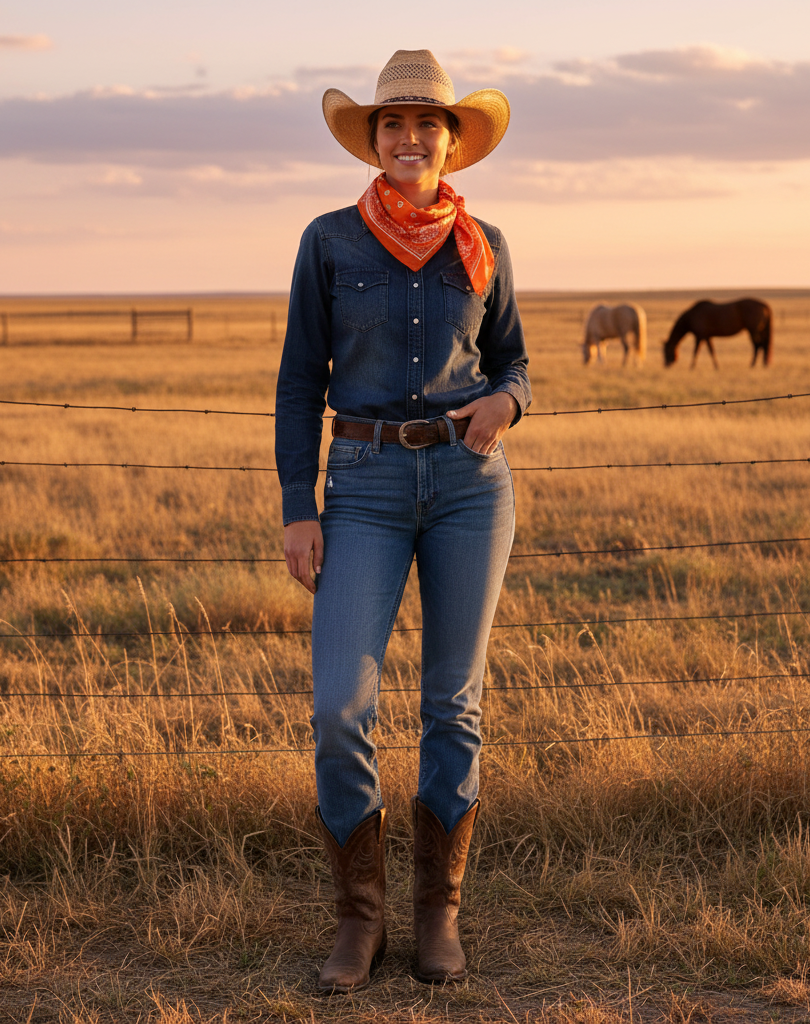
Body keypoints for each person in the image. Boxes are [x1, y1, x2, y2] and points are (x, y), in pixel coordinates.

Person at [275, 49, 531, 993]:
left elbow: (515, 364)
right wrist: (301, 509)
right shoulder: (330, 241)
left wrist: (507, 404)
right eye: (393, 124)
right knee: (341, 706)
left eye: (428, 124)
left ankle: (437, 918)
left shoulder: (487, 242)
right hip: (367, 482)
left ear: (453, 143)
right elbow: (301, 382)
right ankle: (359, 920)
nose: (410, 137)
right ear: (372, 141)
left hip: (470, 486)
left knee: (450, 707)